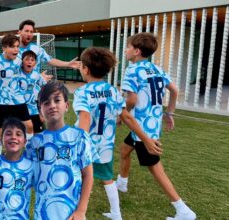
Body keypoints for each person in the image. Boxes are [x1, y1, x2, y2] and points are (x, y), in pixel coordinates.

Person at [73, 47, 162, 220]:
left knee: (77, 177)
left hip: (85, 146)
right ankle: (116, 214)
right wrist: (146, 139)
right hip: (104, 148)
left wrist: (79, 145)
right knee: (107, 179)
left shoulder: (82, 92)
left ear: (85, 69)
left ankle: (77, 212)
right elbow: (127, 117)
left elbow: (84, 117)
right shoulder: (113, 91)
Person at [116, 33, 196, 220]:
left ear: (136, 51)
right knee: (124, 149)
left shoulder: (132, 70)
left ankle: (183, 210)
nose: (125, 51)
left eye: (127, 47)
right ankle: (122, 183)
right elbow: (174, 90)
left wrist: (122, 114)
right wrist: (169, 113)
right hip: (152, 125)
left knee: (155, 168)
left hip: (142, 129)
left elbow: (132, 99)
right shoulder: (157, 68)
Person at [26, 81, 94, 220]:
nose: (52, 106)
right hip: (43, 213)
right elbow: (23, 172)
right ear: (40, 111)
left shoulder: (79, 137)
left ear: (67, 105)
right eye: (46, 103)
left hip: (71, 213)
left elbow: (88, 175)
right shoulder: (34, 143)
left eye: (57, 100)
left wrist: (81, 210)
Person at [0, 33, 33, 155]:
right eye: (13, 47)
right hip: (3, 101)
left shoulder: (19, 60)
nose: (16, 50)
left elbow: (29, 69)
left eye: (17, 46)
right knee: (0, 129)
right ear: (4, 48)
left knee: (29, 126)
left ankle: (30, 151)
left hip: (18, 100)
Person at [0, 117, 34, 219]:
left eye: (18, 134)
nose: (13, 137)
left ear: (25, 141)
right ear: (1, 139)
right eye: (8, 134)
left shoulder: (31, 167)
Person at [20, 50, 52, 133]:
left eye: (32, 60)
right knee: (22, 132)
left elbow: (45, 87)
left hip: (33, 109)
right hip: (20, 108)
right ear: (22, 61)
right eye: (27, 59)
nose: (29, 62)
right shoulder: (17, 74)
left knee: (39, 133)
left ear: (35, 63)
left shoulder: (36, 75)